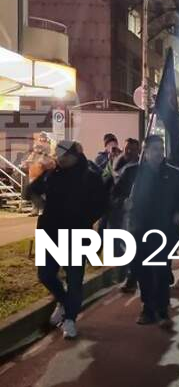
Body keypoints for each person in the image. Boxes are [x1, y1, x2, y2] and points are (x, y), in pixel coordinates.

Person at [30, 140, 108, 339]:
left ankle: (70, 319)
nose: (60, 159)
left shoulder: (90, 176)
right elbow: (31, 190)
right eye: (58, 156)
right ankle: (64, 302)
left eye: (63, 156)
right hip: (50, 233)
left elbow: (101, 204)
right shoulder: (52, 173)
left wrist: (85, 219)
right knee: (45, 275)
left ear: (74, 155)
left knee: (74, 279)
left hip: (77, 234)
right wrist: (39, 202)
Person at [129, 135, 179, 326]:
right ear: (146, 152)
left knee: (161, 269)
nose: (159, 153)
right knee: (142, 270)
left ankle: (162, 308)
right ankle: (147, 307)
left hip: (165, 230)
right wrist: (123, 203)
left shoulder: (174, 174)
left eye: (161, 148)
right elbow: (115, 193)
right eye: (154, 149)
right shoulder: (133, 173)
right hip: (139, 229)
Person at [108, 138, 141, 292]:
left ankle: (132, 277)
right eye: (127, 148)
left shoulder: (141, 169)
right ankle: (127, 273)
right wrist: (121, 201)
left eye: (133, 149)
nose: (129, 151)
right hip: (119, 213)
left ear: (138, 151)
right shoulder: (117, 165)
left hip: (137, 215)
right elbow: (113, 191)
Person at [22, 132, 55, 216]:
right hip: (32, 177)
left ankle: (43, 210)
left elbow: (50, 165)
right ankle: (34, 210)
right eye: (36, 147)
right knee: (33, 195)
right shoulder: (32, 155)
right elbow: (26, 164)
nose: (37, 148)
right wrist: (25, 164)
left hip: (42, 178)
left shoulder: (47, 155)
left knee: (42, 194)